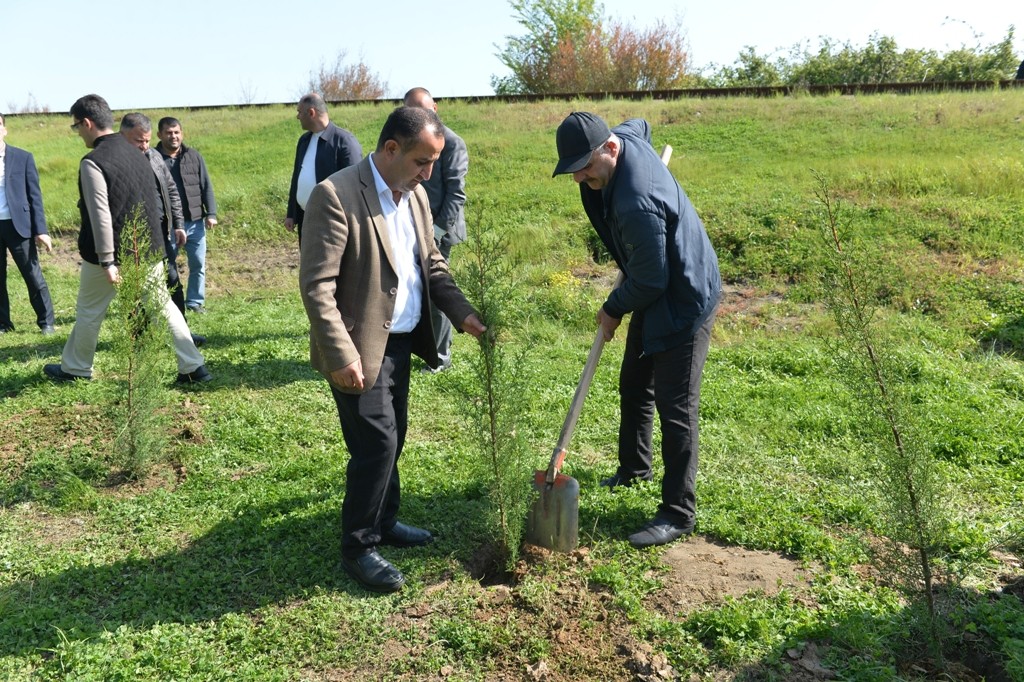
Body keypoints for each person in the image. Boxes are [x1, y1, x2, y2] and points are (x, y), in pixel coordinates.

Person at [299, 106, 486, 593]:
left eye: (434, 164)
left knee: (393, 436)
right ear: (391, 149)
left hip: (401, 341)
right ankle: (358, 546)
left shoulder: (416, 197)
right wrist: (341, 355)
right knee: (376, 444)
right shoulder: (336, 195)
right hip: (359, 349)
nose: (429, 173)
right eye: (423, 162)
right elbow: (317, 287)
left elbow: (434, 265)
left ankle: (384, 520)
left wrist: (462, 314)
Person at [552, 112, 722, 549]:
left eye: (585, 167)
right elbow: (640, 123)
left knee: (675, 405)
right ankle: (635, 469)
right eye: (573, 170)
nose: (580, 178)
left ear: (610, 149)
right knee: (634, 383)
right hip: (651, 282)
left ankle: (678, 512)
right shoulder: (623, 140)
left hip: (683, 296)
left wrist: (612, 309)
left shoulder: (635, 201)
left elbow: (650, 279)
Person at [43, 94, 211, 384]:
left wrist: (107, 259)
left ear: (87, 122)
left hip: (109, 256)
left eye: (76, 127)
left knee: (89, 311)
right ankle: (195, 368)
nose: (78, 132)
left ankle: (76, 369)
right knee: (163, 306)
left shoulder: (92, 162)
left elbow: (100, 215)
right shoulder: (141, 153)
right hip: (147, 249)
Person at [119, 113, 205, 347]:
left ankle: (182, 333)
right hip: (132, 234)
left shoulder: (155, 156)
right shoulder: (116, 161)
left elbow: (172, 191)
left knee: (172, 280)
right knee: (135, 286)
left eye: (146, 141)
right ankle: (139, 337)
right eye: (139, 141)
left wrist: (178, 224)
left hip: (161, 230)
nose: (144, 146)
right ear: (123, 135)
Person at [402, 87, 469, 373]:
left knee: (438, 292)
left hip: (440, 231)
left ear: (435, 108)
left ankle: (441, 358)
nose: (418, 116)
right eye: (411, 111)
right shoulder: (405, 141)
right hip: (413, 228)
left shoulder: (452, 143)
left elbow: (456, 194)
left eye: (423, 110)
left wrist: (436, 232)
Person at [0, 112, 55, 334]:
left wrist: (40, 230)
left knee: (32, 273)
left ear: (4, 129)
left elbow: (35, 197)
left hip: (17, 224)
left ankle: (46, 321)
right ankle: (3, 323)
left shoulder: (22, 157)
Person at [155, 116, 217, 314]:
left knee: (198, 264)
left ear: (181, 134)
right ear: (159, 134)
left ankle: (194, 302)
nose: (173, 136)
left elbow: (206, 185)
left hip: (195, 221)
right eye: (169, 132)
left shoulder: (193, 156)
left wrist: (211, 213)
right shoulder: (153, 158)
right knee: (169, 267)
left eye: (176, 132)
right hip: (168, 224)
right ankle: (169, 303)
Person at [285, 93, 362, 238]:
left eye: (299, 112)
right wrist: (292, 213)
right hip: (305, 218)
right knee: (308, 260)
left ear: (311, 113)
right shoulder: (304, 141)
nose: (298, 117)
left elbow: (355, 186)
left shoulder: (345, 141)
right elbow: (297, 177)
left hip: (332, 222)